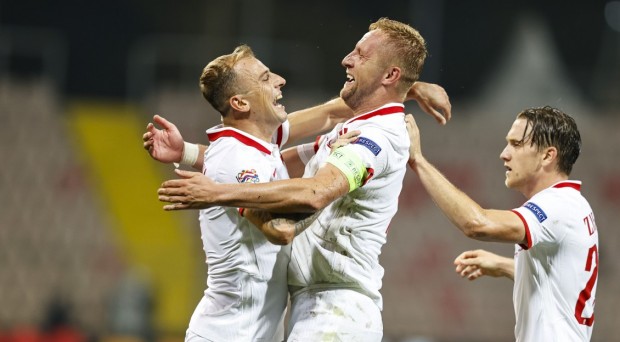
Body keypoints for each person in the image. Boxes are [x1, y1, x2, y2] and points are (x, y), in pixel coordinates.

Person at [156, 17, 440, 341]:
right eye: (265, 77)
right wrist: (206, 174)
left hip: (335, 311)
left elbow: (318, 158)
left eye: (362, 54)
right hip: (241, 330)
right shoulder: (247, 152)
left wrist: (410, 88)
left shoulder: (368, 137)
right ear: (241, 103)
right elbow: (281, 218)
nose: (280, 80)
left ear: (390, 75)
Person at [405, 106, 598, 341]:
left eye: (516, 144)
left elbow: (477, 223)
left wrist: (418, 161)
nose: (504, 154)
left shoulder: (557, 205)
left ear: (548, 155)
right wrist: (505, 265)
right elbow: (560, 282)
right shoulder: (573, 204)